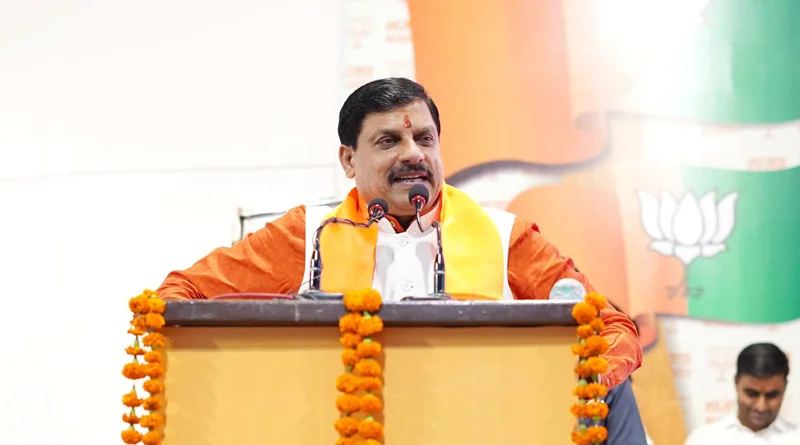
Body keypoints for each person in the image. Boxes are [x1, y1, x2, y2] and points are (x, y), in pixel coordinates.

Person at [156, 77, 642, 388]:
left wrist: (571, 386)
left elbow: (614, 329)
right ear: (349, 160)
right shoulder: (308, 235)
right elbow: (178, 296)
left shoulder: (504, 236)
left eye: (424, 138)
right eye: (389, 140)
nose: (413, 153)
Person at [684, 342, 799, 444]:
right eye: (752, 394)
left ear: (785, 387)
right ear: (736, 383)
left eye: (771, 395)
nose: (761, 407)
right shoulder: (704, 440)